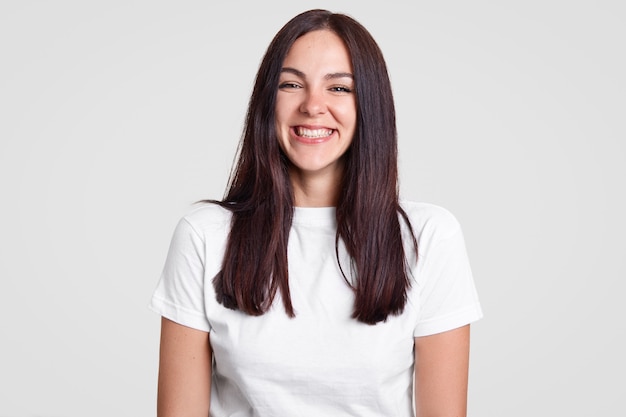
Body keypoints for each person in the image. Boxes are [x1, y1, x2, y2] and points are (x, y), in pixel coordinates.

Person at [150, 9, 482, 417]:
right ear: (267, 101)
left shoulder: (430, 237)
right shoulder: (204, 236)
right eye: (292, 84)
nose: (313, 105)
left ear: (370, 107)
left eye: (339, 88)